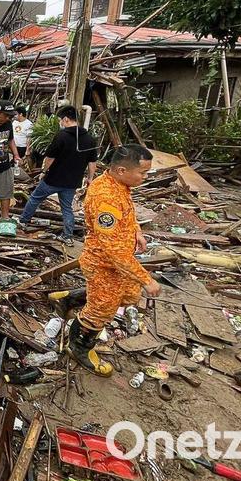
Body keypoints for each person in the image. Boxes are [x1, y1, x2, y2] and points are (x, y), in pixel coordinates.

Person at [69, 144, 162, 377]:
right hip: (103, 262)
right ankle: (79, 347)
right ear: (121, 170)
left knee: (127, 296)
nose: (145, 177)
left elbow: (128, 214)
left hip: (116, 262)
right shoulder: (106, 199)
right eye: (143, 173)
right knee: (102, 309)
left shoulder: (118, 184)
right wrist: (146, 279)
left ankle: (68, 299)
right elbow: (114, 251)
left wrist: (137, 231)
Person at [18, 105, 98, 246]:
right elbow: (92, 162)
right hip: (72, 182)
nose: (60, 122)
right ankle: (67, 236)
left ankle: (23, 222)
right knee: (67, 208)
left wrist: (43, 171)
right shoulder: (89, 139)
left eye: (61, 120)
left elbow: (50, 158)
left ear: (66, 119)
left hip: (53, 179)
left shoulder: (61, 136)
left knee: (35, 198)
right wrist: (90, 178)